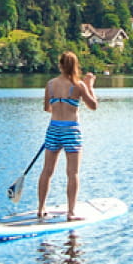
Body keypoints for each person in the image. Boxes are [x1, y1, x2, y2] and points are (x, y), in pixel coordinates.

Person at [37, 51, 99, 221]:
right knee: (73, 173)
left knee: (47, 171)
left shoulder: (50, 84)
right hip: (71, 130)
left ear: (60, 65)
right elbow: (93, 106)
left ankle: (41, 208)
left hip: (53, 128)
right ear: (75, 66)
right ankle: (71, 213)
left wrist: (59, 105)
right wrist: (90, 85)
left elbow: (46, 108)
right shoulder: (79, 85)